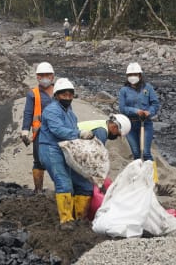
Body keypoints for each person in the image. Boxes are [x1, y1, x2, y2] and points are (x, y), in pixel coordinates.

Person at [37, 78, 93, 228]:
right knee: (64, 183)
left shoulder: (70, 113)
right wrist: (79, 134)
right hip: (51, 149)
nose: (67, 97)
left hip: (66, 150)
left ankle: (80, 218)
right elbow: (57, 130)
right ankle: (66, 220)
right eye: (64, 95)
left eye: (70, 95)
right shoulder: (51, 110)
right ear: (56, 96)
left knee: (84, 184)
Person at [117, 62, 160, 177]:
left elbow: (155, 104)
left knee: (146, 153)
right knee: (136, 153)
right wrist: (135, 111)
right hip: (130, 125)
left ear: (140, 75)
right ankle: (138, 177)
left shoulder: (148, 88)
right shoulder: (124, 91)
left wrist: (149, 112)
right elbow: (122, 108)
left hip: (145, 124)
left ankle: (154, 178)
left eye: (135, 74)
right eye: (130, 74)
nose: (132, 77)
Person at [21, 62, 56, 193]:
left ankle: (61, 189)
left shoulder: (60, 91)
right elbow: (28, 113)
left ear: (52, 76)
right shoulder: (33, 94)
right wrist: (25, 130)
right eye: (41, 75)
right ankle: (38, 190)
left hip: (58, 131)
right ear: (37, 77)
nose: (44, 78)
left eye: (47, 75)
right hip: (40, 133)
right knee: (39, 160)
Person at [77, 114, 131, 191]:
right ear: (115, 127)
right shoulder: (101, 132)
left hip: (73, 147)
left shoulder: (102, 124)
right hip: (67, 146)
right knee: (85, 187)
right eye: (118, 134)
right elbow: (95, 157)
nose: (116, 137)